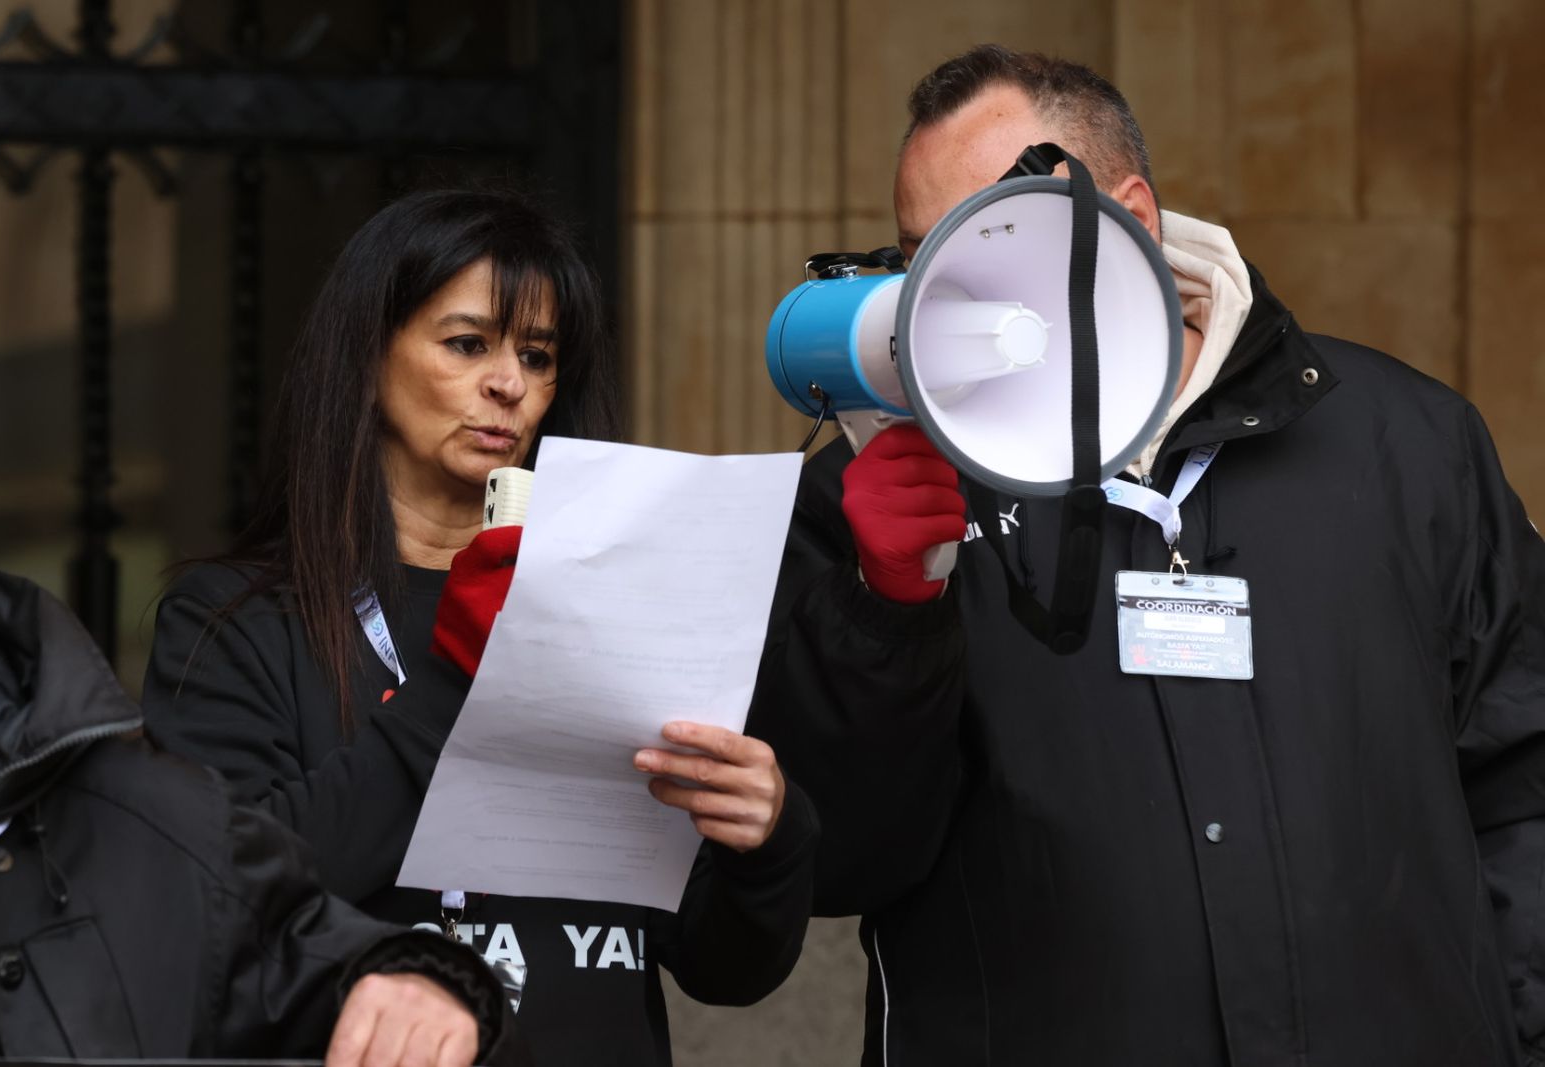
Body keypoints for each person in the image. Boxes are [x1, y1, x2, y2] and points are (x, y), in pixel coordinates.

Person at [750, 45, 1545, 1067]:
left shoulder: (1408, 444)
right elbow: (835, 856)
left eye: (992, 237)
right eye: (922, 257)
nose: (948, 298)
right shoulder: (878, 498)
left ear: (1127, 218)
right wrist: (885, 612)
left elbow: (1524, 778)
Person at [143, 187, 819, 1067]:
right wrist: (461, 683)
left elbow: (722, 967)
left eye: (537, 355)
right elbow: (222, 904)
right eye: (467, 344)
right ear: (368, 355)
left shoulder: (620, 602)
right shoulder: (234, 619)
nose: (509, 384)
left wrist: (771, 835)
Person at [0, 445, 521, 1065]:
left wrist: (438, 996)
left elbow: (266, 928)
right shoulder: (231, 621)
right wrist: (450, 695)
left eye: (538, 371)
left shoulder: (123, 820)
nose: (507, 394)